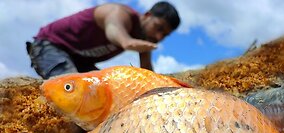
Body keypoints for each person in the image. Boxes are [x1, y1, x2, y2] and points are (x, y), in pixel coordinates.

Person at [26, 2, 180, 79]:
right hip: (50, 45)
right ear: (147, 15)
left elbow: (147, 73)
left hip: (79, 59)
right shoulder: (120, 13)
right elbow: (114, 29)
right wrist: (126, 41)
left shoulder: (143, 38)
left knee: (102, 89)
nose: (159, 37)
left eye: (165, 35)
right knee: (74, 90)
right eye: (159, 28)